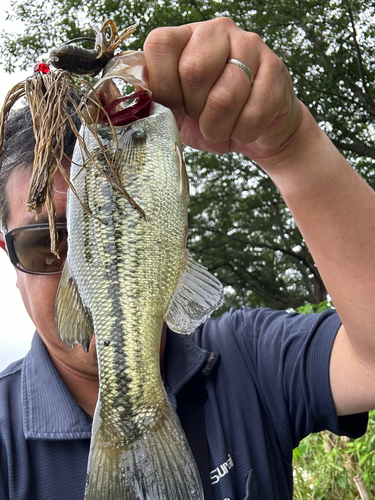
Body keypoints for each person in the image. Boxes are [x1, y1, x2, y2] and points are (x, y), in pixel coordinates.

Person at [0, 17, 374, 500]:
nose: (84, 265)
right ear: (8, 253)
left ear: (169, 227)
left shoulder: (249, 359)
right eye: (46, 244)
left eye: (110, 231)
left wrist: (291, 145)